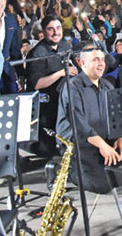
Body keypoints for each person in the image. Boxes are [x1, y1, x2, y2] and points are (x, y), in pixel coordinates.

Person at [57, 45, 122, 194]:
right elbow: (79, 124)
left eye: (102, 59)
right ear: (81, 63)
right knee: (104, 186)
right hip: (79, 143)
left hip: (100, 138)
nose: (101, 63)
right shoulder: (72, 87)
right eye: (96, 60)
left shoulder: (106, 85)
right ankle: (68, 172)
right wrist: (102, 145)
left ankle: (105, 164)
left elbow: (118, 114)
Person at [27, 15, 77, 157]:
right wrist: (61, 73)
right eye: (51, 29)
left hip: (66, 98)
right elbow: (36, 84)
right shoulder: (37, 53)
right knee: (46, 151)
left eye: (58, 28)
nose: (56, 32)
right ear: (43, 31)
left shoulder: (65, 46)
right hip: (47, 105)